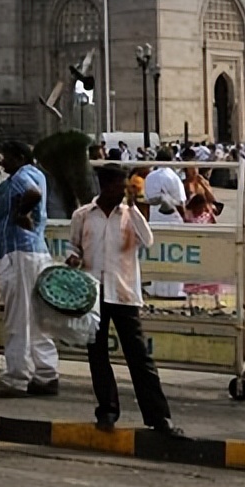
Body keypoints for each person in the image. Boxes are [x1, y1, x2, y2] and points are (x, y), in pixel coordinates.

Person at [67, 164, 186, 437]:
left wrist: (134, 208)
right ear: (104, 187)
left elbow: (148, 240)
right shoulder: (83, 216)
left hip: (124, 294)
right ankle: (107, 410)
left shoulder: (129, 215)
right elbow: (74, 246)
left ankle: (158, 416)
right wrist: (74, 258)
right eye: (117, 188)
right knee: (98, 356)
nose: (122, 192)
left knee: (139, 357)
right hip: (93, 293)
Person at [0, 139, 59, 397]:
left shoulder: (22, 175)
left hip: (19, 252)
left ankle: (16, 378)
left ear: (17, 156)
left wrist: (19, 214)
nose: (1, 161)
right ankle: (46, 374)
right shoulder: (35, 173)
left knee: (17, 318)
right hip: (34, 251)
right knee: (37, 318)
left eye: (3, 156)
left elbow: (31, 194)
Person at [143, 148, 187, 298]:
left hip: (155, 216)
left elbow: (148, 198)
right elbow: (181, 201)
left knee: (157, 253)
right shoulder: (174, 177)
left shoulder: (150, 176)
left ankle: (155, 288)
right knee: (175, 253)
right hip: (172, 217)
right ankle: (174, 290)